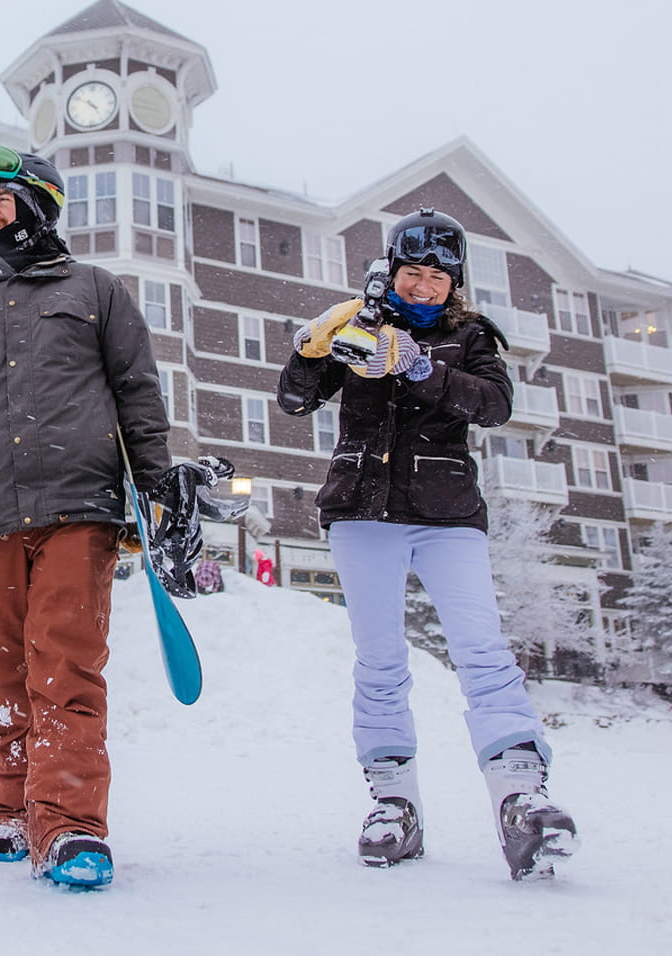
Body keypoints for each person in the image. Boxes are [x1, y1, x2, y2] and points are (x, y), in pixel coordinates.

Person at [0, 145, 182, 889]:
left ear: (40, 203)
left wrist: (153, 489)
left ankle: (72, 824)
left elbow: (138, 396)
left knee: (67, 666)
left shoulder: (97, 291)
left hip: (79, 506)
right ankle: (13, 810)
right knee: (0, 669)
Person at [276, 208, 576, 881]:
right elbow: (296, 400)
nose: (423, 285)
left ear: (454, 283)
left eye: (437, 277)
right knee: (380, 659)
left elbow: (495, 405)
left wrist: (419, 370)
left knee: (483, 651)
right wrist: (308, 348)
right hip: (361, 512)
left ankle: (521, 798)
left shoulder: (470, 338)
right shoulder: (360, 325)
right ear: (393, 270)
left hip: (447, 516)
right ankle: (392, 805)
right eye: (413, 272)